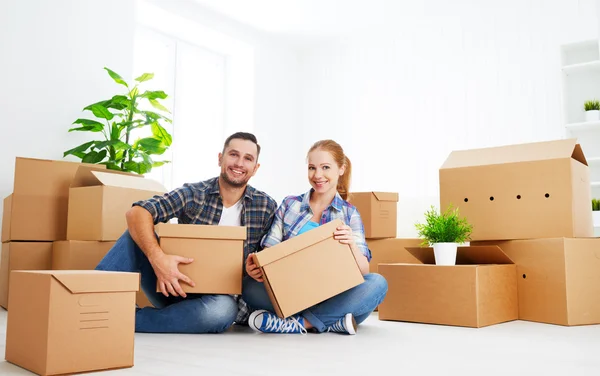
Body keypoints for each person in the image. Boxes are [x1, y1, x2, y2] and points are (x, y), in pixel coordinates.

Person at [95, 132, 278, 334]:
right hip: (172, 285)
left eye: (248, 158)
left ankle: (117, 319)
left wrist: (254, 269)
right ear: (220, 158)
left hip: (213, 301)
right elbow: (137, 213)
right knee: (133, 236)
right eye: (233, 154)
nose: (239, 163)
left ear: (255, 168)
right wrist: (158, 259)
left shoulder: (265, 206)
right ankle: (94, 302)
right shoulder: (194, 194)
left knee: (222, 312)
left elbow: (265, 259)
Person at [243, 139, 388, 335]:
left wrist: (351, 244)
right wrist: (257, 268)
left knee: (377, 283)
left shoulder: (349, 214)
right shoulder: (289, 205)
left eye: (325, 167)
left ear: (341, 169)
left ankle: (300, 324)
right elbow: (270, 251)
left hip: (332, 294)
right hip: (291, 291)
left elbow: (363, 271)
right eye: (312, 168)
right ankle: (332, 321)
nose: (317, 175)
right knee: (249, 286)